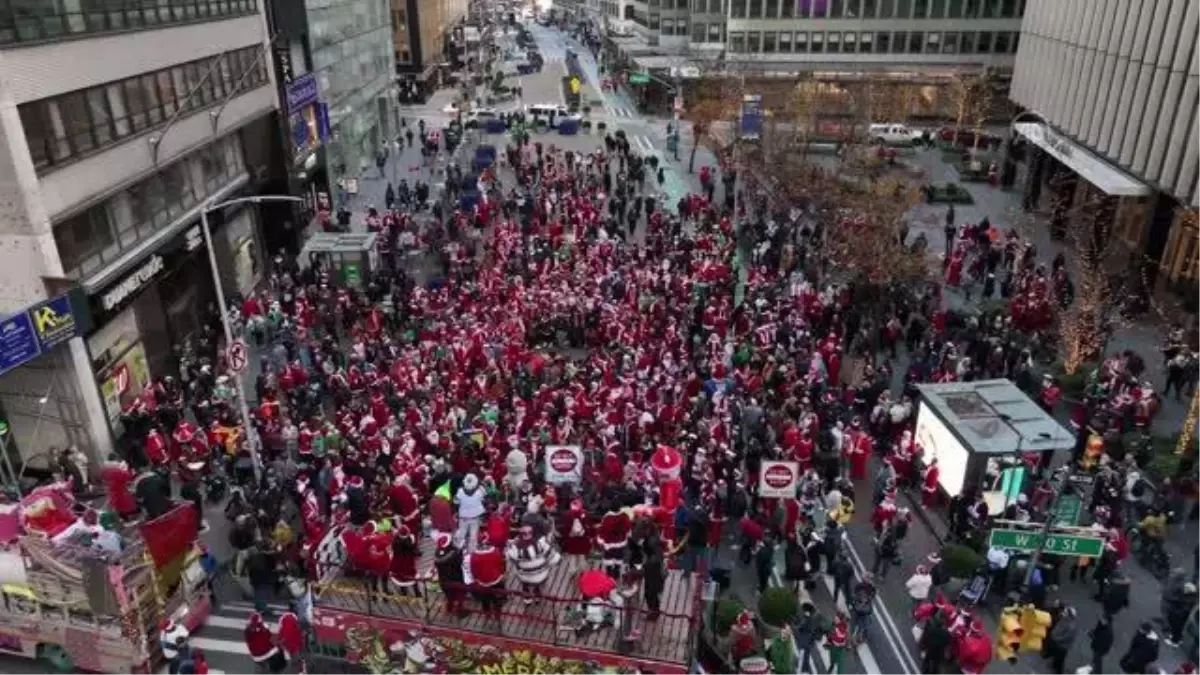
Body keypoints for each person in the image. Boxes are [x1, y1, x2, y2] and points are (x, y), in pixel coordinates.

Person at [1044, 605, 1077, 675]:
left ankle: (1058, 672)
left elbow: (1065, 637)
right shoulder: (1064, 619)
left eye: (1065, 613)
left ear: (1069, 615)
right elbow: (1058, 627)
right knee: (1056, 657)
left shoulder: (1071, 627)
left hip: (1062, 647)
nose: (1063, 613)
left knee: (1060, 661)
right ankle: (1054, 665)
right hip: (1057, 643)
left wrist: (1056, 638)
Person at [918, 611, 952, 675]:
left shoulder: (930, 629)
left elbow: (923, 640)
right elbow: (947, 650)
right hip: (939, 655)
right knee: (936, 670)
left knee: (926, 667)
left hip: (929, 652)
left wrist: (922, 647)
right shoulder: (947, 634)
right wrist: (946, 658)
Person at [849, 575, 876, 644]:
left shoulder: (870, 588)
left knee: (859, 625)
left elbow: (871, 597)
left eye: (868, 578)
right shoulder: (860, 586)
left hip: (862, 611)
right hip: (860, 610)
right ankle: (852, 638)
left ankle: (856, 637)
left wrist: (865, 601)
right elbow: (855, 595)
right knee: (855, 625)